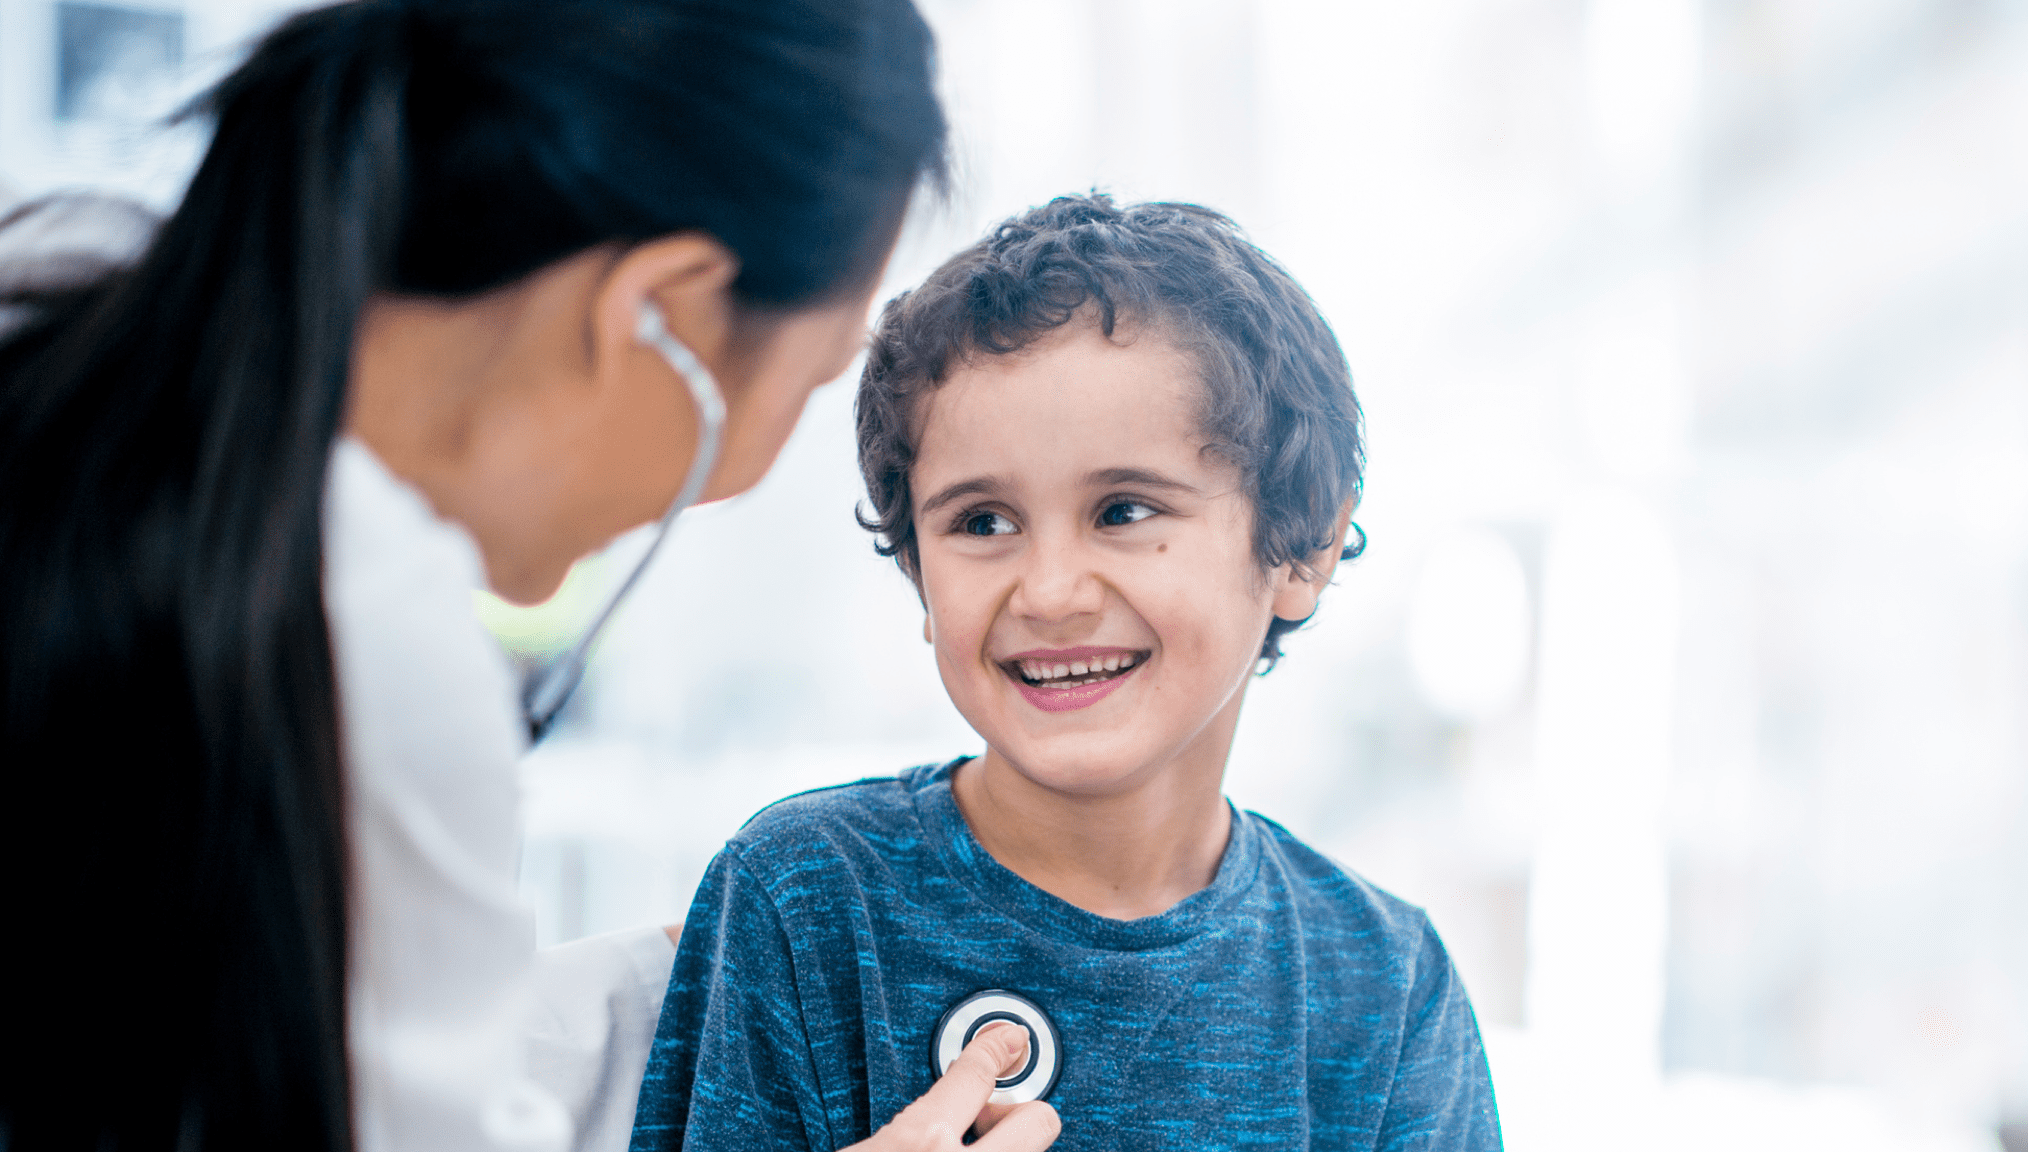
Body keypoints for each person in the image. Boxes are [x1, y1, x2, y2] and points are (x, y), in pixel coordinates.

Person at [0, 2, 1059, 1151]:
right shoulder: (356, 628)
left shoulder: (67, 314)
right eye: (807, 381)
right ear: (656, 315)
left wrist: (700, 975)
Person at [629, 195, 1504, 1150]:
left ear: (1304, 547)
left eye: (1125, 511)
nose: (1048, 592)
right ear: (919, 570)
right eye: (982, 523)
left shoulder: (1385, 981)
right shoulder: (804, 897)